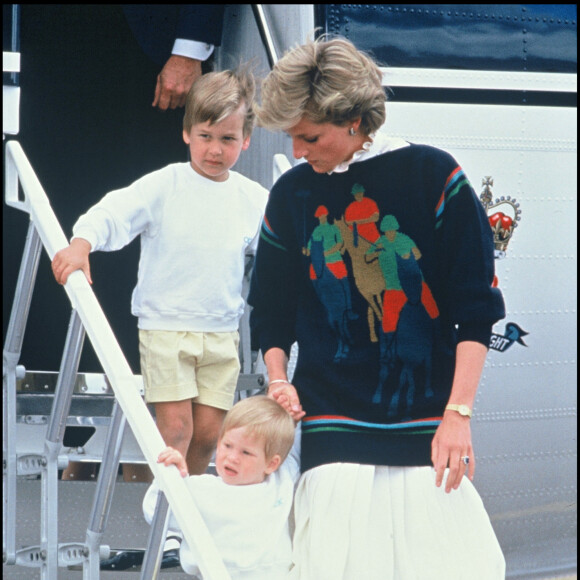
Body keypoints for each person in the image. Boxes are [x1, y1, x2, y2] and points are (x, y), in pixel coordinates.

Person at [248, 36, 507, 579]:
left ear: (352, 121)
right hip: (330, 424)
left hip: (427, 424)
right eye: (293, 137)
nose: (298, 151)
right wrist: (277, 378)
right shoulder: (292, 194)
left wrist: (457, 416)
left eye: (308, 136)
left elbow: (475, 309)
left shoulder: (434, 176)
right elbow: (270, 306)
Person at [51, 66, 268, 565]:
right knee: (176, 431)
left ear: (247, 140)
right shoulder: (166, 184)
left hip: (220, 332)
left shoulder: (253, 199)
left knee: (212, 436)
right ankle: (164, 511)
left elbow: (284, 247)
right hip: (165, 327)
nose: (215, 149)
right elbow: (114, 212)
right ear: (186, 132)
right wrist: (82, 242)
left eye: (228, 139)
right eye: (205, 136)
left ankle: (177, 507)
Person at [141, 394, 303, 579]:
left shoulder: (281, 481)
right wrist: (170, 474)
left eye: (246, 452)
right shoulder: (202, 489)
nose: (232, 457)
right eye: (227, 445)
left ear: (271, 464)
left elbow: (294, 447)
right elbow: (154, 510)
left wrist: (292, 417)